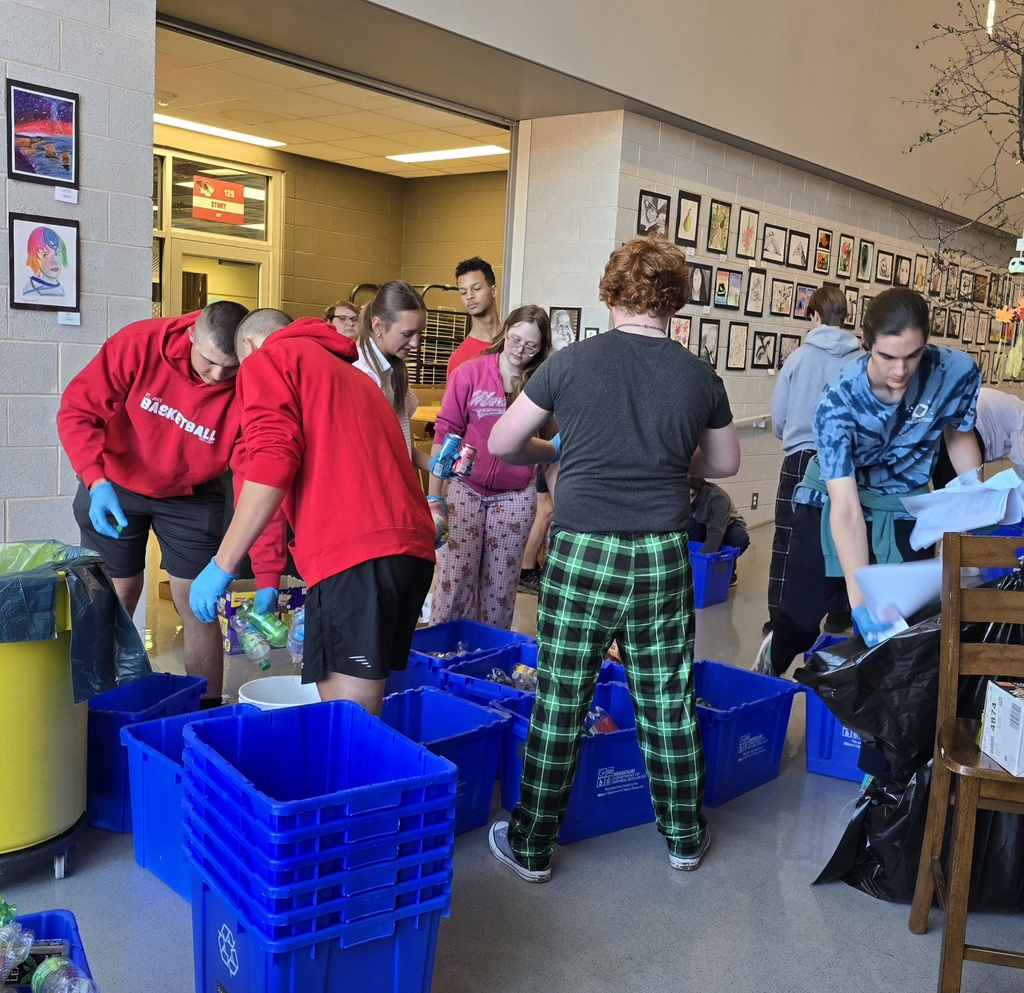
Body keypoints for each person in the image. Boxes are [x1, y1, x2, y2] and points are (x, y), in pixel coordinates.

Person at [485, 237, 740, 882]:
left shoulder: (572, 363)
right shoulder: (697, 374)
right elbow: (728, 463)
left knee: (562, 700)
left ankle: (533, 847)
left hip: (581, 549)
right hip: (659, 551)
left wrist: (559, 453)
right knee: (666, 698)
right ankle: (684, 837)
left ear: (610, 292)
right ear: (674, 301)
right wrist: (676, 459)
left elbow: (503, 442)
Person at [188, 310, 435, 717]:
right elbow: (278, 484)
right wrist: (268, 579)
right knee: (359, 707)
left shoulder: (269, 361)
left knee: (348, 721)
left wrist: (222, 564)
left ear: (249, 346)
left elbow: (271, 466)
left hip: (356, 558)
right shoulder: (353, 378)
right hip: (408, 554)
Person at [755, 288, 982, 680]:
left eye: (912, 356)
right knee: (802, 620)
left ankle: (875, 732)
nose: (900, 370)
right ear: (866, 343)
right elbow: (846, 510)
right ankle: (770, 660)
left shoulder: (956, 372)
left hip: (903, 505)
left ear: (926, 344)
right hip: (833, 500)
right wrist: (860, 601)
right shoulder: (838, 402)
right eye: (887, 357)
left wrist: (975, 497)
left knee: (903, 628)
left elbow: (958, 435)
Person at [57, 300, 249, 706]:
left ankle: (204, 711)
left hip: (192, 491)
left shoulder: (250, 379)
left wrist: (261, 568)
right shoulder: (139, 345)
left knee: (197, 602)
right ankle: (99, 704)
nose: (217, 377)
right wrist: (96, 481)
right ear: (192, 333)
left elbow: (258, 473)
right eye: (209, 363)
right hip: (117, 481)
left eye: (229, 369)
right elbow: (78, 411)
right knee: (118, 591)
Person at [429, 305, 552, 629]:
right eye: (515, 339)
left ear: (541, 349)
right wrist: (434, 498)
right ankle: (444, 658)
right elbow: (445, 432)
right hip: (465, 490)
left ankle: (486, 660)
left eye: (531, 346)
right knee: (453, 581)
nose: (520, 350)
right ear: (505, 330)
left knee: (500, 590)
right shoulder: (470, 373)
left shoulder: (541, 384)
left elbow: (552, 447)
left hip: (514, 497)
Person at [764, 285, 860, 638]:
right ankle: (838, 614)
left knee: (789, 538)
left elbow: (778, 418)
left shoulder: (800, 358)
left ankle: (782, 618)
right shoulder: (860, 361)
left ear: (814, 315)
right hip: (844, 460)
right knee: (842, 537)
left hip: (801, 456)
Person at [352, 281, 432, 476]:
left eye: (419, 333)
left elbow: (397, 442)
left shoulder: (393, 366)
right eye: (407, 334)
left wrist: (433, 464)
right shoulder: (363, 374)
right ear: (378, 325)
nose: (415, 343)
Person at [932, 386, 1024, 487]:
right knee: (964, 495)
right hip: (965, 429)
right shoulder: (1021, 416)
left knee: (943, 491)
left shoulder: (1016, 405)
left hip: (943, 423)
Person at [687, 477, 749, 586]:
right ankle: (693, 569)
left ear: (698, 490)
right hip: (701, 525)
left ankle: (729, 568)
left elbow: (717, 531)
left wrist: (702, 559)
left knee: (740, 539)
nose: (688, 500)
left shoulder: (718, 498)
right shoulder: (680, 496)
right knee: (689, 523)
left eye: (691, 495)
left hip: (728, 525)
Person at [447, 257, 499, 378]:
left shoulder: (515, 342)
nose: (469, 296)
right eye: (463, 292)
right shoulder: (459, 359)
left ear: (494, 291)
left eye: (476, 289)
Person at [517, 462, 556, 595]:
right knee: (546, 511)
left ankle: (526, 570)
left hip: (549, 454)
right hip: (555, 454)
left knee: (545, 510)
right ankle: (526, 570)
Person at [22, 226, 68, 297]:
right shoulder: (31, 290)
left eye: (56, 254)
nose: (54, 262)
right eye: (45, 255)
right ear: (35, 259)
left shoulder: (60, 289)